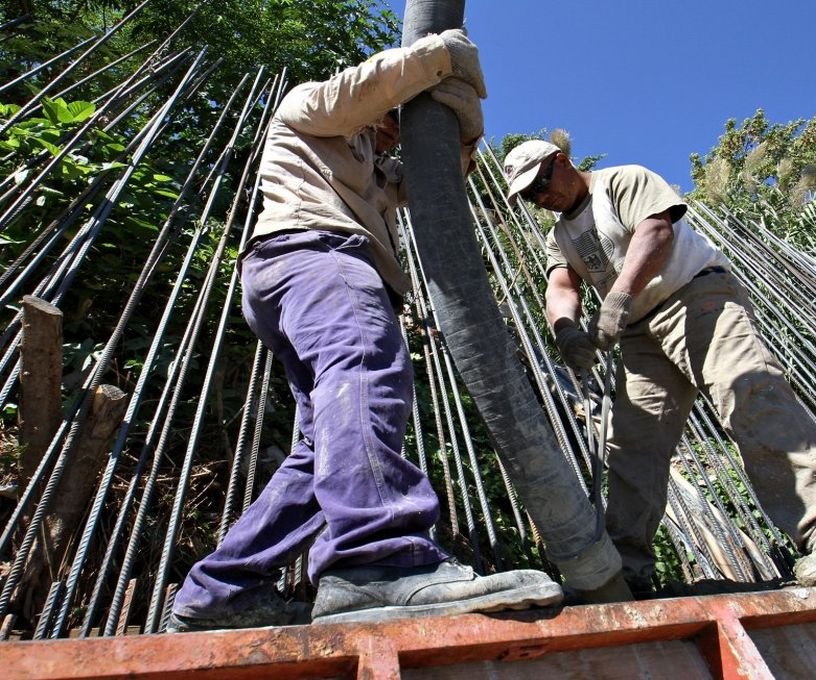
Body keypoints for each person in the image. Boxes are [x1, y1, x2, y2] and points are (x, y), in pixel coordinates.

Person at [167, 33, 563, 632]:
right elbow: (364, 88)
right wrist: (442, 57)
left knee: (319, 446)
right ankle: (378, 560)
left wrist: (464, 130)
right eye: (395, 114)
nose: (396, 126)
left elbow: (440, 181)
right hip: (317, 254)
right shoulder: (311, 107)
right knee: (364, 373)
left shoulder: (374, 170)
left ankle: (223, 589)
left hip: (293, 274)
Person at [502, 139, 816, 596]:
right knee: (633, 446)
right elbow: (562, 285)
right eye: (529, 196)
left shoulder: (621, 180)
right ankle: (625, 574)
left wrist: (617, 297)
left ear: (560, 162)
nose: (541, 198)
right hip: (639, 334)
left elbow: (655, 233)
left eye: (540, 184)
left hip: (697, 299)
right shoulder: (560, 235)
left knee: (751, 396)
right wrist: (566, 331)